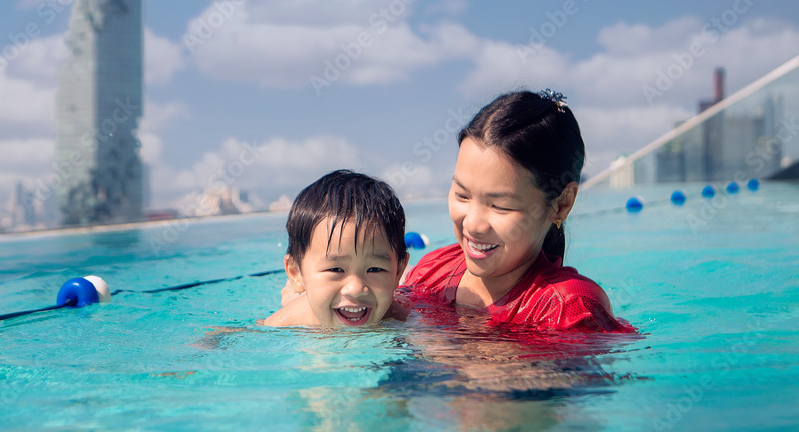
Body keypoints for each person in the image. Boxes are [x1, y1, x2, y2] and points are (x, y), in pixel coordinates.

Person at [402, 89, 635, 333]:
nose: (472, 224)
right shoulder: (431, 272)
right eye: (462, 195)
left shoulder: (567, 309)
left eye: (500, 206)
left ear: (562, 204)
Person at [263, 170, 409, 327]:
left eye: (374, 269)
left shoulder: (399, 318)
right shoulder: (283, 322)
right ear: (295, 273)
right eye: (336, 269)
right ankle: (295, 297)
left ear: (397, 273)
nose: (356, 289)